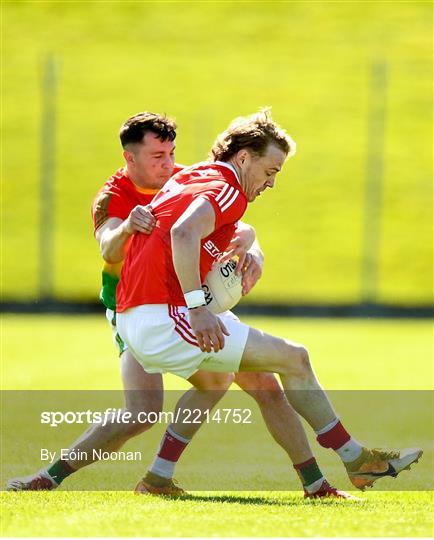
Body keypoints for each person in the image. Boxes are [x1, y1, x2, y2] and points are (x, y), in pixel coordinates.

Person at [113, 109, 422, 494]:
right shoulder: (227, 189)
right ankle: (357, 460)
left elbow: (184, 226)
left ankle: (163, 477)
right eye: (270, 171)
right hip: (165, 314)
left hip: (137, 314)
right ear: (243, 157)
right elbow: (183, 232)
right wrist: (197, 307)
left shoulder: (195, 176)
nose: (271, 183)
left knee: (259, 380)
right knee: (295, 358)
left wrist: (247, 238)